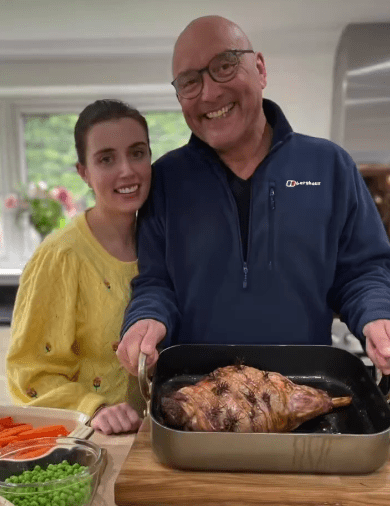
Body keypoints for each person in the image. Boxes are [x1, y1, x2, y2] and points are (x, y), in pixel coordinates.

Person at [117, 15, 390, 377]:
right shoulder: (165, 179)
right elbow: (156, 282)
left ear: (259, 68)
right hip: (196, 398)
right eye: (189, 82)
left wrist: (378, 314)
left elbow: (362, 272)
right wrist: (145, 318)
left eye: (225, 66)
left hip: (303, 392)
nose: (209, 93)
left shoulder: (330, 166)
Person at [7, 99, 152, 434]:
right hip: (89, 442)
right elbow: (28, 373)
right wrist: (94, 407)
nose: (127, 170)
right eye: (106, 159)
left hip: (152, 438)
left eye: (137, 152)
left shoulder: (159, 244)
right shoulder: (60, 257)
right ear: (84, 173)